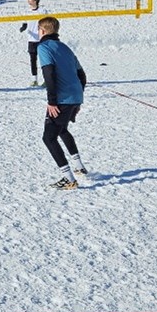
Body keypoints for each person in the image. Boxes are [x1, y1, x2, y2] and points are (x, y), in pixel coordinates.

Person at [36, 16, 88, 189]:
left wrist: (52, 101)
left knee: (48, 137)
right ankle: (79, 167)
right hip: (74, 95)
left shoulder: (43, 47)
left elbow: (49, 74)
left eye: (38, 30)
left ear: (42, 31)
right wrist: (78, 99)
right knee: (62, 130)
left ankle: (69, 179)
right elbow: (82, 75)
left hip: (62, 99)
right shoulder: (65, 47)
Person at [17, 0, 48, 86]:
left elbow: (47, 23)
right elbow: (25, 23)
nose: (28, 0)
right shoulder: (26, 12)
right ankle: (34, 79)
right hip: (32, 39)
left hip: (42, 39)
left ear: (35, 0)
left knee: (45, 60)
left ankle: (47, 80)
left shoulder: (43, 11)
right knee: (33, 60)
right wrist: (23, 27)